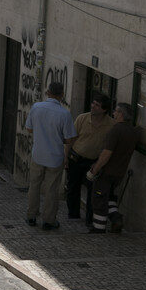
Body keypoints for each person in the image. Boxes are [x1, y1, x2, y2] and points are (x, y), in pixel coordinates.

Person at [24, 81, 77, 230]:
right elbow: (69, 139)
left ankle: (31, 216)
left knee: (34, 186)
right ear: (62, 95)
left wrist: (42, 132)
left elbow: (28, 129)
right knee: (51, 189)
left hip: (38, 154)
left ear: (47, 93)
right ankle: (48, 220)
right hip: (55, 157)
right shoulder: (65, 114)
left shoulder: (36, 107)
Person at [86, 102, 140, 233]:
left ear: (121, 114)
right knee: (109, 197)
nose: (114, 113)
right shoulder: (132, 132)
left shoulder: (116, 130)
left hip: (107, 172)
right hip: (119, 173)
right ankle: (116, 219)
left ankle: (98, 228)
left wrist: (95, 169)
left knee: (99, 199)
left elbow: (106, 154)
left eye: (116, 111)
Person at [63, 92, 113, 221]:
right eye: (93, 103)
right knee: (73, 188)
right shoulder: (82, 118)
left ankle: (90, 219)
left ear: (104, 110)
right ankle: (73, 215)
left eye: (97, 105)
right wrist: (65, 157)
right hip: (76, 158)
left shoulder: (111, 125)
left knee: (93, 191)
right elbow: (71, 139)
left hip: (93, 163)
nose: (93, 106)